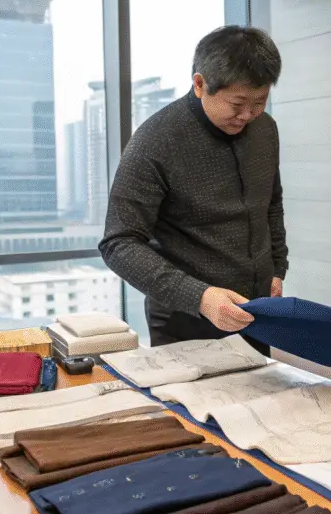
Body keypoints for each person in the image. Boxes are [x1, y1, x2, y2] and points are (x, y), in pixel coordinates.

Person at [100, 25, 286, 351]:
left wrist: (277, 268)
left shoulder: (265, 129)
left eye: (259, 101)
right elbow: (119, 242)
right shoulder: (155, 141)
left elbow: (271, 203)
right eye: (237, 103)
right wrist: (200, 297)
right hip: (185, 319)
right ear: (200, 84)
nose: (247, 115)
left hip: (256, 312)